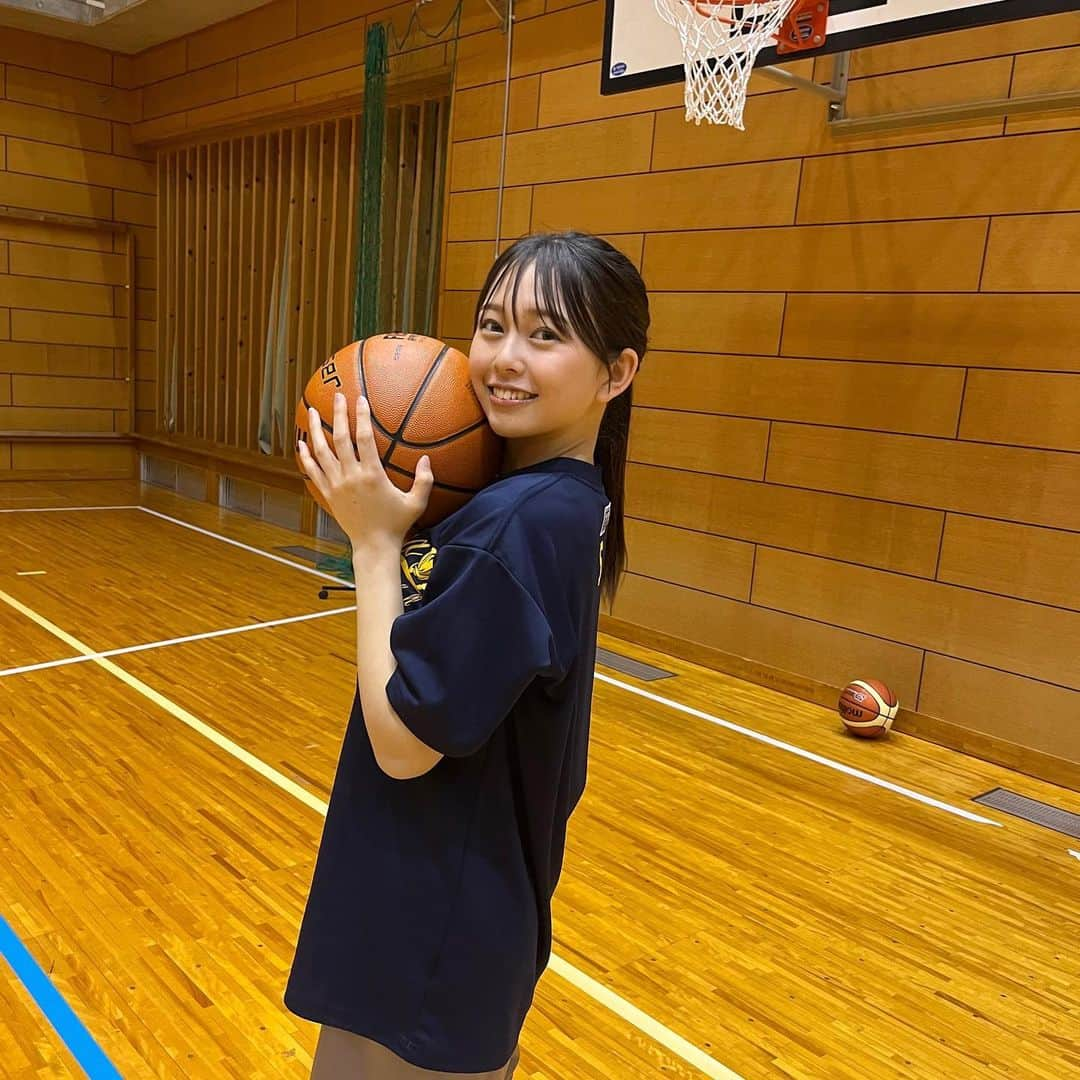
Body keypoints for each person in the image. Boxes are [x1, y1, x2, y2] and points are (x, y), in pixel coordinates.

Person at [287, 231, 649, 1078]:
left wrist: (374, 548)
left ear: (617, 372)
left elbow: (404, 746)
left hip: (430, 930)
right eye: (492, 326)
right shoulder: (563, 499)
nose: (503, 359)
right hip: (465, 913)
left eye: (547, 334)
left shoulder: (514, 525)